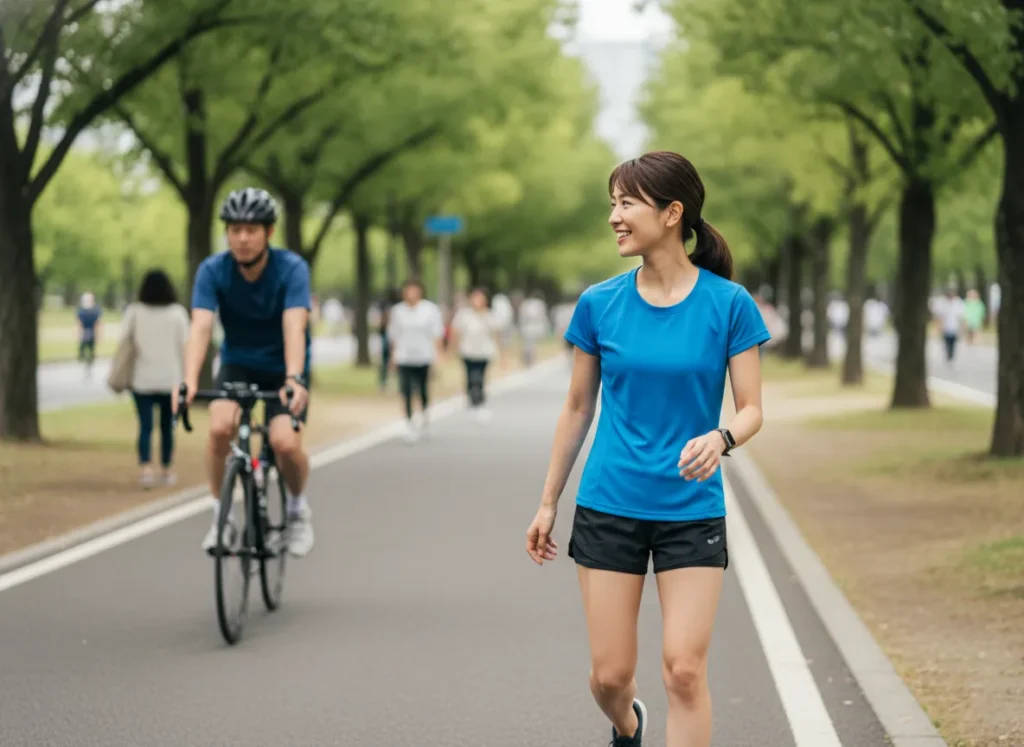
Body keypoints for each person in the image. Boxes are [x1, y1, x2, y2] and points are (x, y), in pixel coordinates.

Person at [526, 151, 770, 747]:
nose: (614, 216)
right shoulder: (599, 303)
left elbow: (752, 409)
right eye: (613, 202)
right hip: (610, 503)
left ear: (671, 214)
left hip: (691, 509)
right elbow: (578, 407)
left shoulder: (728, 304)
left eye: (627, 202)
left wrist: (722, 437)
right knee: (609, 677)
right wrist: (548, 502)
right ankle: (628, 723)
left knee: (685, 671)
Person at [173, 187, 315, 557]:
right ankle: (220, 516)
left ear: (269, 233)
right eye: (234, 229)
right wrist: (188, 380)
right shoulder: (213, 270)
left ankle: (298, 510)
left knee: (285, 443)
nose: (242, 238)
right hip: (238, 361)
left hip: (285, 365)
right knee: (220, 428)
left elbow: (294, 325)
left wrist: (294, 379)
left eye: (251, 230)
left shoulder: (292, 268)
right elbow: (201, 326)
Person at [121, 270, 190, 489]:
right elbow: (185, 347)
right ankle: (167, 468)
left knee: (145, 426)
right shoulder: (178, 314)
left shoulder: (134, 312)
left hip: (142, 379)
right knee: (167, 427)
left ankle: (146, 469)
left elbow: (124, 340)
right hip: (171, 379)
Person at [387, 279, 444, 444]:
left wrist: (438, 355)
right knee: (406, 390)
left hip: (424, 356)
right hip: (404, 356)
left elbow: (436, 334)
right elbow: (394, 335)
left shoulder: (429, 310)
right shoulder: (398, 311)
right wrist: (392, 357)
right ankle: (409, 421)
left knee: (422, 388)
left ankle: (425, 411)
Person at [451, 287, 499, 422]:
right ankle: (472, 401)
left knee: (480, 377)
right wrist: (453, 348)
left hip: (484, 352)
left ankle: (480, 402)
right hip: (467, 351)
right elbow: (456, 332)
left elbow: (495, 333)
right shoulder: (464, 315)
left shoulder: (489, 315)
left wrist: (501, 352)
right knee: (470, 377)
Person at [932, 284, 965, 364]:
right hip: (945, 327)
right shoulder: (942, 302)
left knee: (953, 343)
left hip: (955, 327)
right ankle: (947, 355)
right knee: (946, 342)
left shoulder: (958, 302)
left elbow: (961, 316)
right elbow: (938, 316)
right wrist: (939, 326)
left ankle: (951, 355)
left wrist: (963, 327)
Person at [76, 291, 102, 377]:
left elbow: (97, 324)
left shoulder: (93, 310)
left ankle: (88, 361)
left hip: (88, 331)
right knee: (86, 349)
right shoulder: (84, 310)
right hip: (87, 331)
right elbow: (79, 323)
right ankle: (87, 361)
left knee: (88, 349)